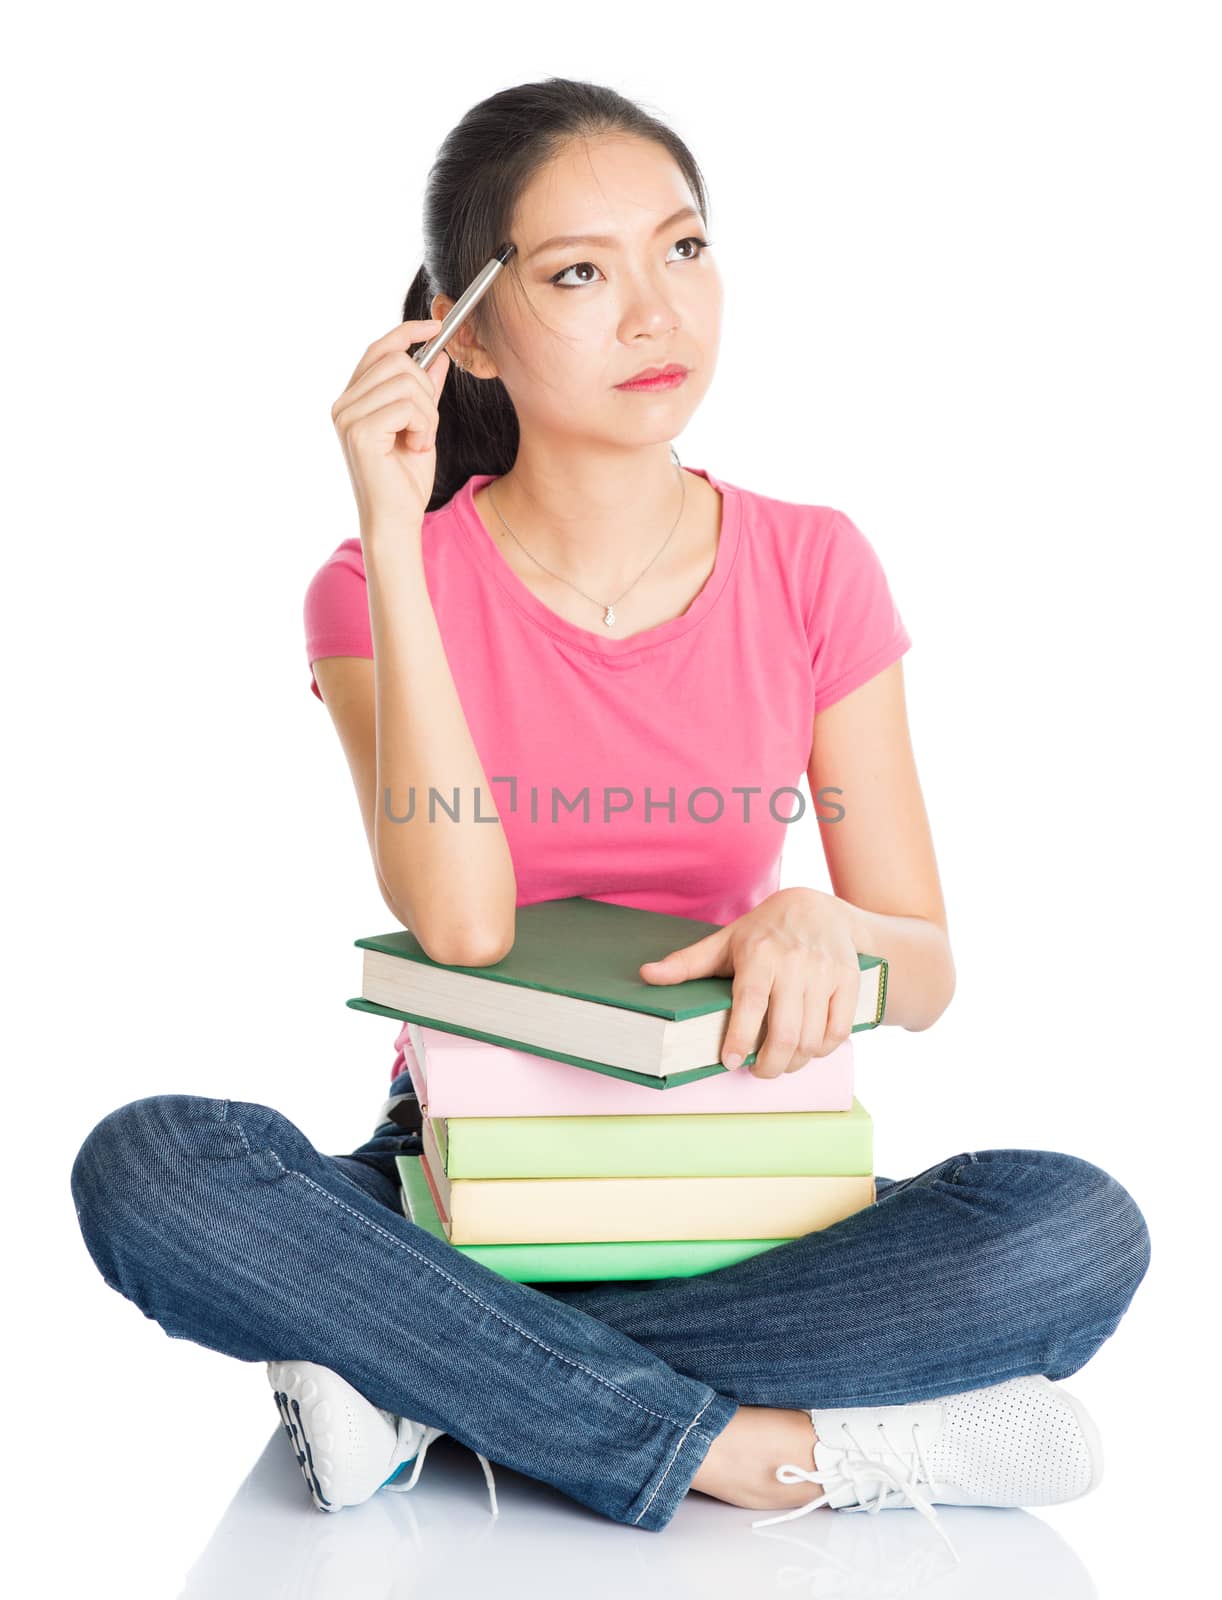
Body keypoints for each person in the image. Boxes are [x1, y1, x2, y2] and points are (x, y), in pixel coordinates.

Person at [69, 77, 1151, 1549]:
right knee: (156, 1168)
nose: (657, 315)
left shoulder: (811, 564)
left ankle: (421, 1376)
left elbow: (930, 970)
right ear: (470, 329)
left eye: (683, 251)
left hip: (736, 1173)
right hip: (462, 1173)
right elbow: (459, 926)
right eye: (580, 274)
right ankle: (757, 1454)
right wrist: (395, 531)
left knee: (1070, 1227)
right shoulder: (373, 579)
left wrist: (819, 920)